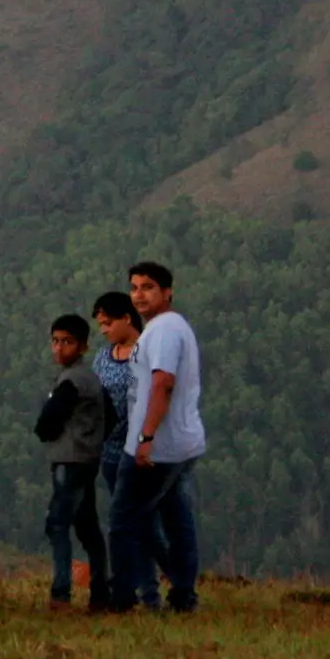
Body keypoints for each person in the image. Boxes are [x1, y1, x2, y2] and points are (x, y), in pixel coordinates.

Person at [106, 261, 204, 613]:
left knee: (123, 522)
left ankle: (121, 600)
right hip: (182, 442)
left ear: (167, 292)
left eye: (148, 287)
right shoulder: (174, 327)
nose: (139, 294)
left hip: (156, 448)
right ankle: (182, 593)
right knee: (176, 519)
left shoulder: (162, 331)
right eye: (134, 287)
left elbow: (163, 383)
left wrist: (146, 437)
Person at [35, 314, 111, 612]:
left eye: (67, 342)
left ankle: (61, 593)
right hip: (86, 458)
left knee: (57, 524)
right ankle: (101, 594)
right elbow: (112, 416)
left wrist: (46, 433)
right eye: (55, 341)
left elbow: (49, 419)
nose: (59, 348)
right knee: (87, 527)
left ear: (82, 346)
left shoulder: (72, 381)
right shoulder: (89, 378)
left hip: (70, 460)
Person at [89, 291, 158, 609]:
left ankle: (140, 591)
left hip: (138, 453)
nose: (103, 330)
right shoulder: (104, 357)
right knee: (128, 523)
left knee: (129, 523)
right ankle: (137, 589)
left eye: (107, 323)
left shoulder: (145, 354)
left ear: (126, 319)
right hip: (109, 453)